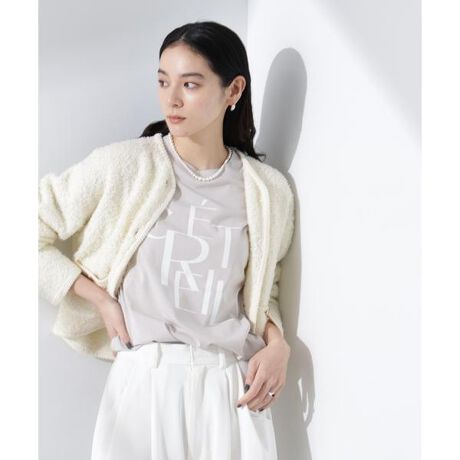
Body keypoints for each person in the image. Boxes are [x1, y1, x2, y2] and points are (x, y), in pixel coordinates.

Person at [38, 20, 295, 459]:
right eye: (163, 81)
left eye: (190, 84)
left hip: (231, 391)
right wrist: (99, 298)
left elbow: (263, 288)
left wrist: (278, 345)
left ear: (233, 91)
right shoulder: (126, 166)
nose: (171, 99)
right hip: (145, 384)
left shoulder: (266, 191)